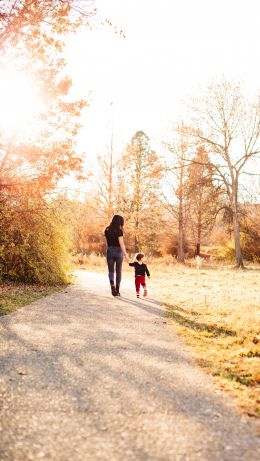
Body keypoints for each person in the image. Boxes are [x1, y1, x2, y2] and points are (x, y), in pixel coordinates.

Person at [104, 215, 128, 296]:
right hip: (118, 252)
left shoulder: (107, 230)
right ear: (120, 222)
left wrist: (108, 251)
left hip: (110, 250)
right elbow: (121, 244)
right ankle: (117, 290)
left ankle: (112, 286)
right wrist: (126, 254)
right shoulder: (119, 231)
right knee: (118, 271)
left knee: (111, 271)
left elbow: (107, 243)